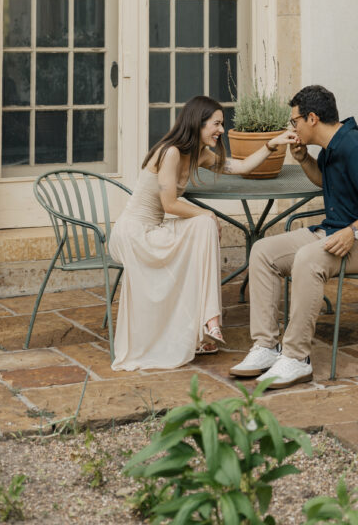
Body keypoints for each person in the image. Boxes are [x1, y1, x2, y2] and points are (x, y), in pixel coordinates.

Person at [230, 84, 358, 389]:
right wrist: (303, 159)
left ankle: (296, 358)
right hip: (335, 232)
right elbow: (325, 180)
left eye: (294, 121)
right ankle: (266, 348)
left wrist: (354, 232)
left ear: (312, 118)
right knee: (263, 251)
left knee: (309, 258)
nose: (291, 127)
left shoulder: (356, 147)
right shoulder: (331, 148)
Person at [109, 95, 297, 371]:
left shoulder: (200, 154)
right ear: (198, 123)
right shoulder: (170, 152)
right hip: (134, 234)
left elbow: (241, 167)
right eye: (217, 123)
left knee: (203, 227)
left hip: (155, 230)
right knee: (205, 223)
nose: (222, 130)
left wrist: (272, 144)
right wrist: (207, 213)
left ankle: (208, 322)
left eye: (222, 124)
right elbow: (169, 204)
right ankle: (208, 322)